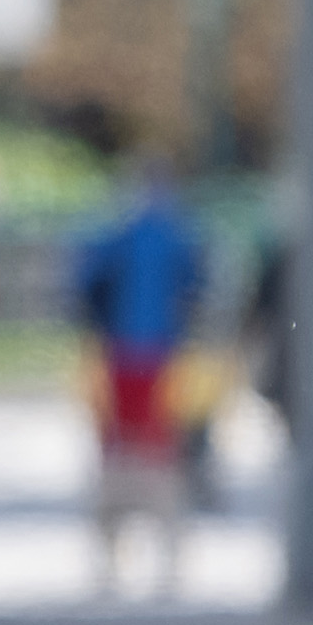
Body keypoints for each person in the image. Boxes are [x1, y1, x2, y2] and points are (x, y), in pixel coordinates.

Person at [70, 163, 206, 599]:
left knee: (115, 460)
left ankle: (110, 561)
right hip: (163, 361)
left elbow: (83, 289)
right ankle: (168, 564)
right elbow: (199, 291)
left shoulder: (114, 239)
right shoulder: (178, 238)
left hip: (118, 360)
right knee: (161, 463)